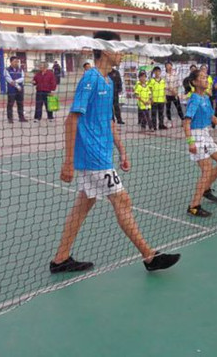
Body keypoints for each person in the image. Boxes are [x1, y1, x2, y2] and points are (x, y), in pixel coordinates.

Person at [50, 30, 180, 274]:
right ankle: (149, 256)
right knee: (122, 200)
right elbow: (71, 120)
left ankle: (60, 259)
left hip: (103, 153)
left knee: (82, 207)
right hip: (93, 156)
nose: (122, 53)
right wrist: (68, 162)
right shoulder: (90, 78)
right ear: (104, 49)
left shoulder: (109, 82)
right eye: (118, 48)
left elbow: (109, 121)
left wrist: (122, 151)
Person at [183, 70, 217, 217]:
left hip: (205, 134)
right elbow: (186, 123)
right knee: (207, 170)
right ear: (194, 82)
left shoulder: (205, 97)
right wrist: (190, 142)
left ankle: (206, 188)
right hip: (196, 135)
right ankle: (194, 206)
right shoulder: (194, 99)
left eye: (206, 77)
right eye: (202, 78)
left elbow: (212, 117)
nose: (206, 80)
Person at [5, 56, 27, 123]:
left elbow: (22, 78)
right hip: (12, 90)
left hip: (20, 91)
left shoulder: (20, 70)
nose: (16, 63)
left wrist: (16, 81)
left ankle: (21, 118)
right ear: (11, 62)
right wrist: (18, 86)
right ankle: (10, 118)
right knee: (10, 104)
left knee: (20, 104)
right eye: (15, 61)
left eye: (17, 61)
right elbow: (10, 80)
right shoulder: (7, 70)